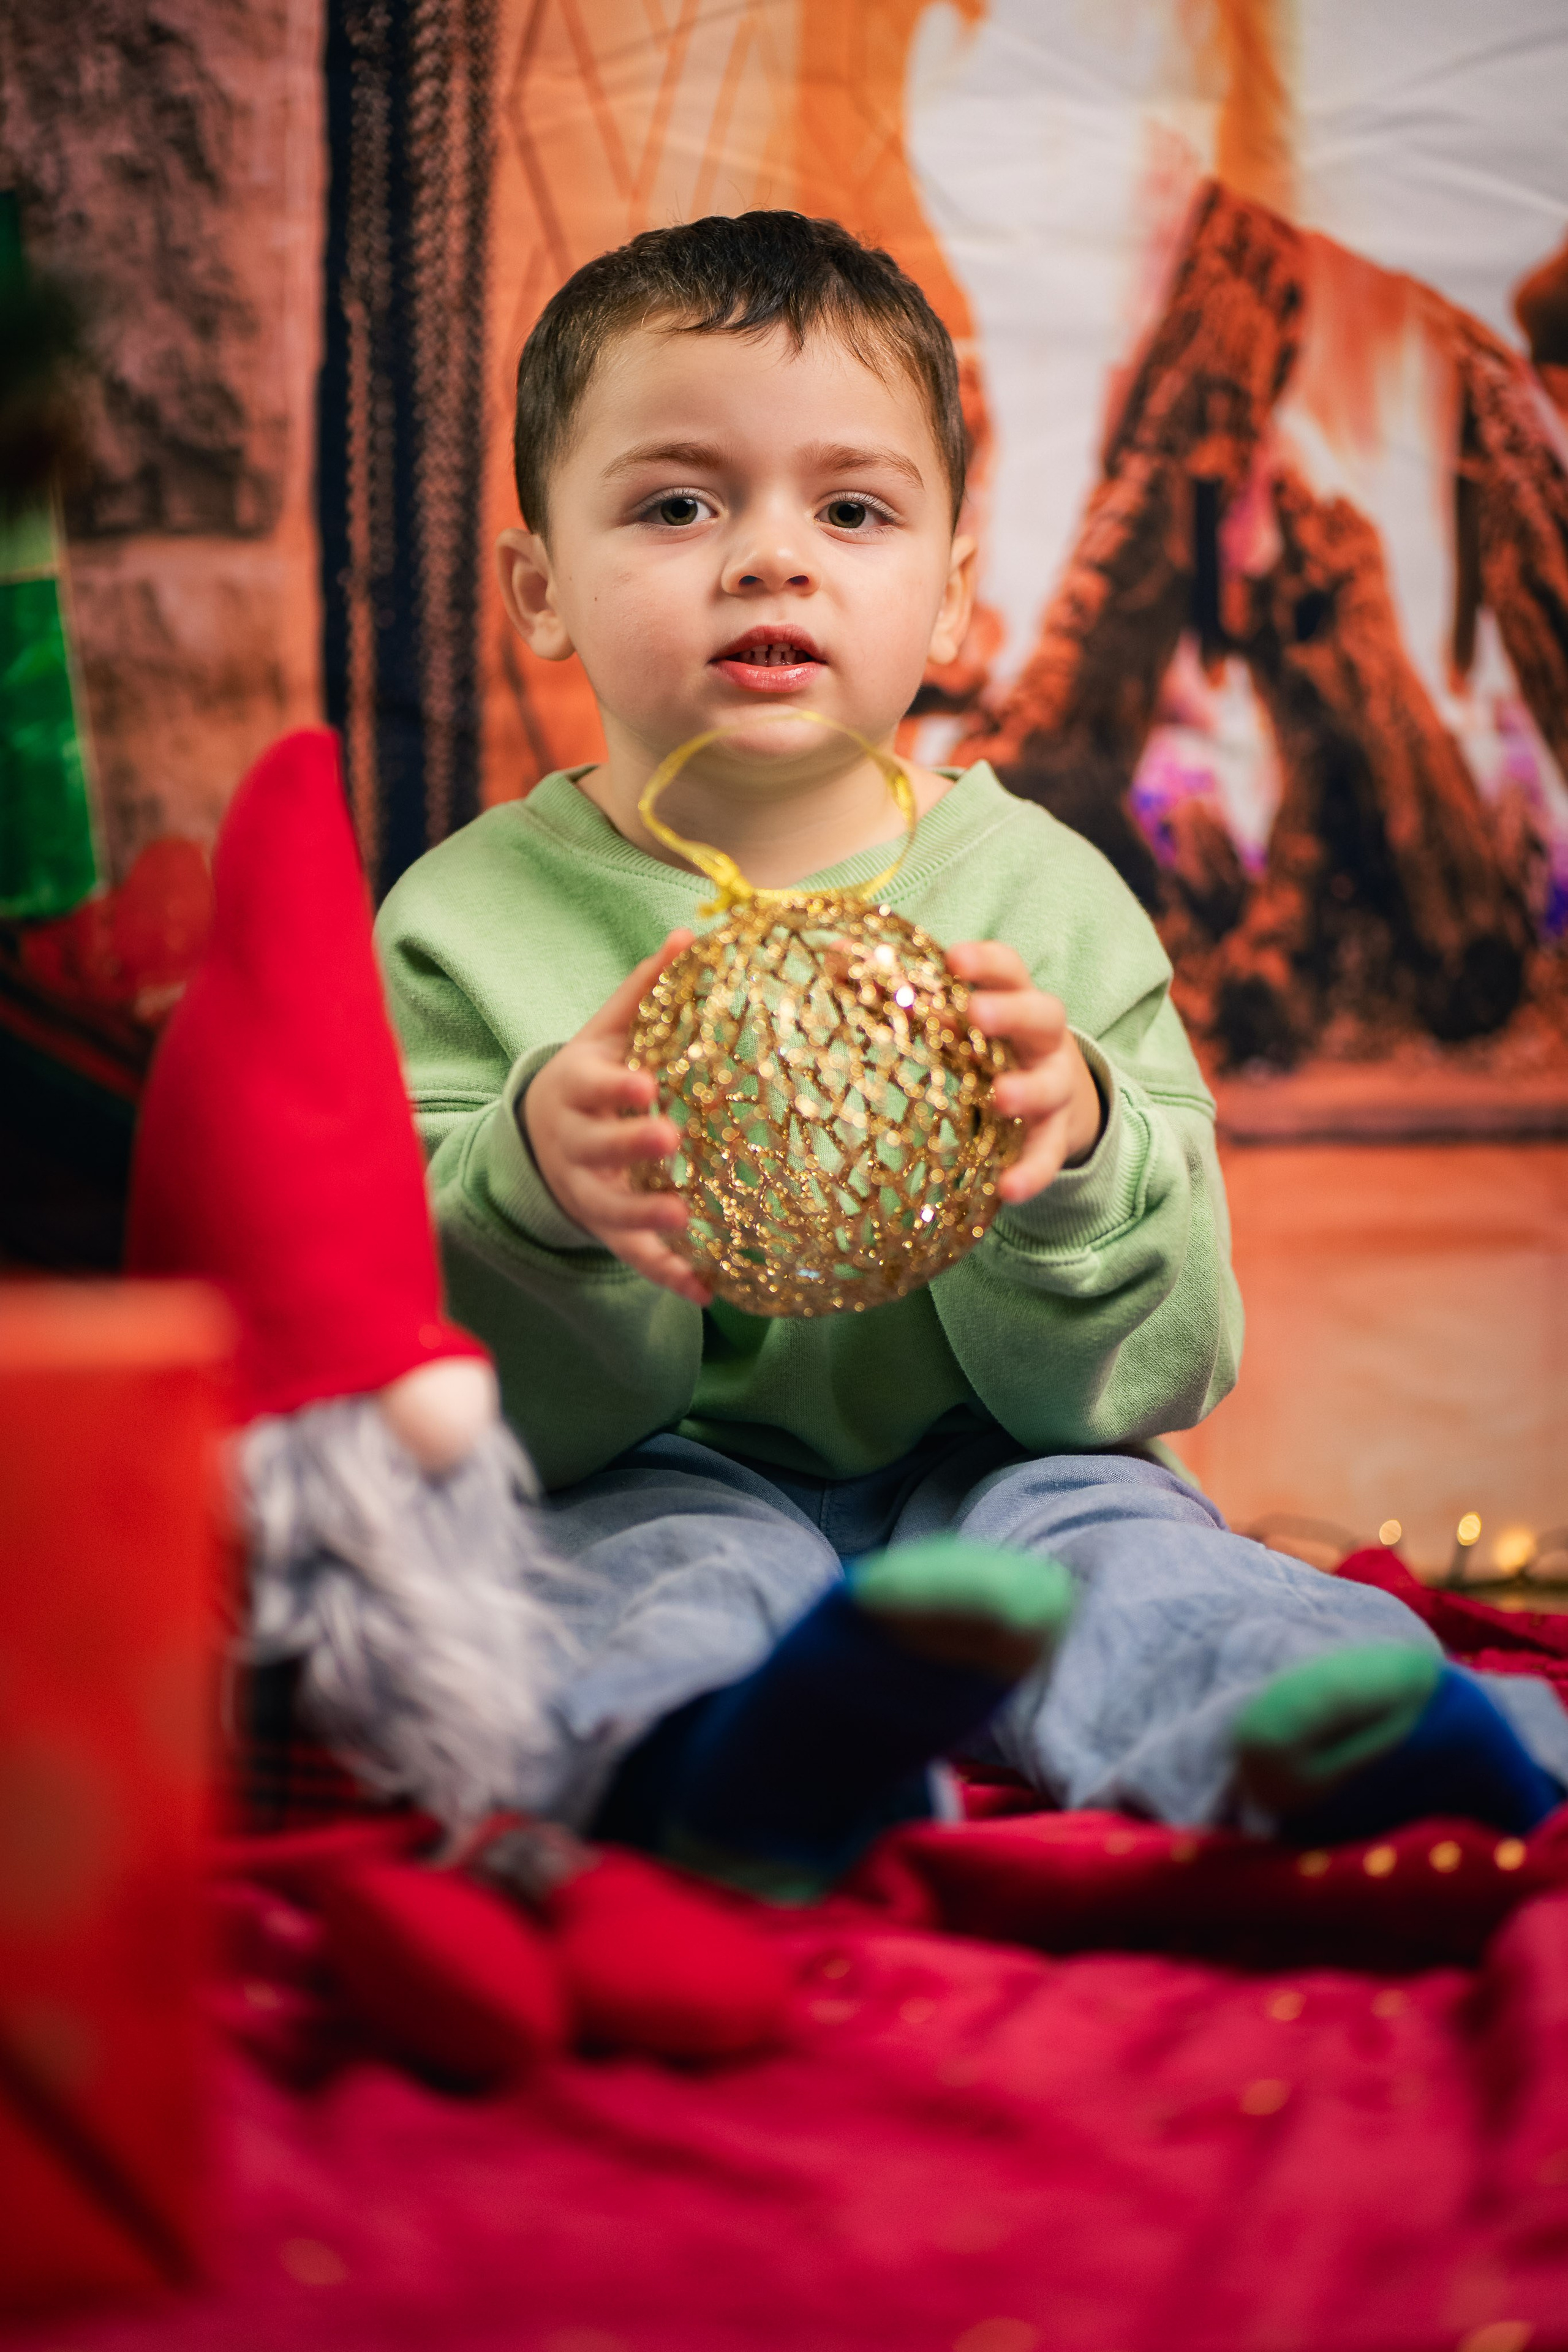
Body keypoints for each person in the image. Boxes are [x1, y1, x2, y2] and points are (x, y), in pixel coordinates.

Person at [375, 211, 1567, 1898]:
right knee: (632, 1576)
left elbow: (1162, 1368)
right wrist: (529, 1194)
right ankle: (723, 1773)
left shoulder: (1042, 897)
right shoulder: (463, 924)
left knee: (1139, 1561)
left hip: (1008, 1459)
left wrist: (1074, 1150)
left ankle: (1314, 1740)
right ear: (538, 590)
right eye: (675, 506)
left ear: (948, 598)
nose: (768, 559)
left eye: (849, 510)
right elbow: (439, 1398)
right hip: (643, 1471)